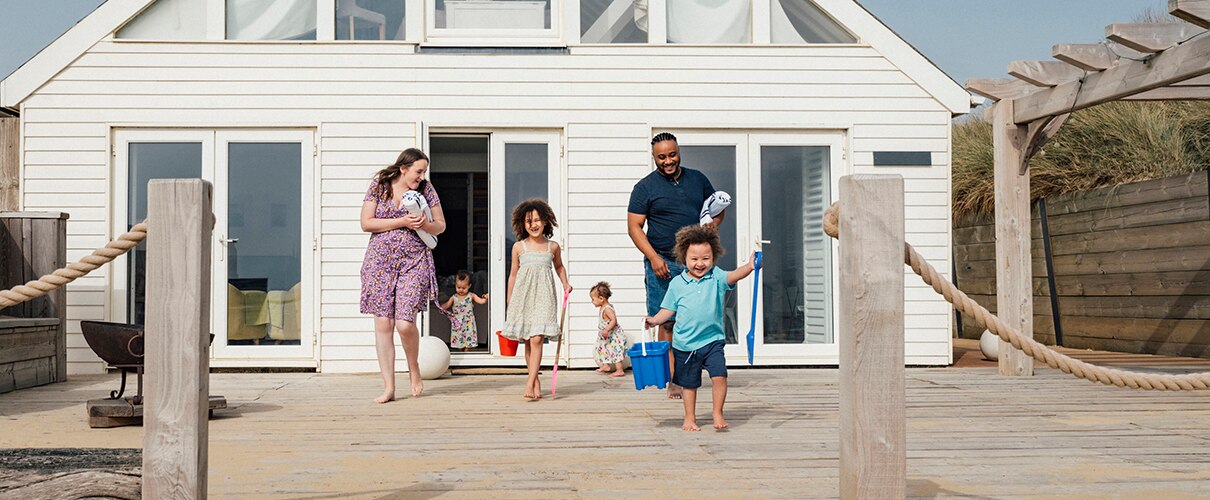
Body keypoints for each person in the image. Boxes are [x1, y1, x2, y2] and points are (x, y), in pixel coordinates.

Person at [627, 132, 725, 399]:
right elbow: (634, 227)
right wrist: (654, 258)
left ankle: (698, 369)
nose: (668, 161)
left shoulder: (698, 179)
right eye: (662, 157)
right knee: (668, 321)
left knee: (698, 317)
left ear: (679, 152)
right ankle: (674, 379)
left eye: (672, 155)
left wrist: (712, 225)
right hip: (663, 262)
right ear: (654, 157)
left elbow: (717, 210)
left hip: (696, 263)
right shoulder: (644, 188)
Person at [359, 147, 455, 404]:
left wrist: (424, 224)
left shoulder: (426, 189)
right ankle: (389, 387)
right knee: (383, 324)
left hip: (414, 262)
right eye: (418, 171)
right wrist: (401, 222)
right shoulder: (380, 186)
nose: (422, 177)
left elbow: (441, 225)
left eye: (424, 172)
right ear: (403, 168)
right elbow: (366, 222)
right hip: (380, 262)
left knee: (404, 323)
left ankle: (414, 368)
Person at [645, 226, 754, 431]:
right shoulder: (677, 283)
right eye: (694, 259)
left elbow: (734, 276)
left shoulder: (716, 277)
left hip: (712, 340)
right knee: (689, 384)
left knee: (720, 375)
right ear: (684, 258)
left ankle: (717, 413)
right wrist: (654, 320)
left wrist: (749, 266)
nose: (700, 263)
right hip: (685, 344)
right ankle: (689, 417)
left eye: (705, 258)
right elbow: (667, 310)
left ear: (713, 257)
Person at [501, 198, 572, 401]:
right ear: (523, 224)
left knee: (537, 338)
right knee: (528, 340)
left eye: (537, 220)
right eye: (529, 221)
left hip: (544, 296)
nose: (534, 224)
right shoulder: (519, 247)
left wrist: (565, 283)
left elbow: (559, 267)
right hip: (523, 296)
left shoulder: (552, 247)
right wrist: (510, 299)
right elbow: (513, 274)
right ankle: (536, 381)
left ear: (545, 221)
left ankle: (529, 382)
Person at [441, 270, 488, 352]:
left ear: (469, 286)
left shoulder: (471, 296)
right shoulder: (454, 297)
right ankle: (460, 351)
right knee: (458, 338)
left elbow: (481, 301)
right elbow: (447, 305)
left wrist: (486, 298)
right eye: (458, 287)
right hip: (457, 322)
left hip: (468, 322)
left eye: (464, 288)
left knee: (468, 337)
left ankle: (467, 351)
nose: (461, 290)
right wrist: (440, 307)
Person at [589, 281, 627, 377]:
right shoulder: (603, 307)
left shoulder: (607, 309)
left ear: (601, 298)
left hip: (613, 335)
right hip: (606, 336)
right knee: (603, 348)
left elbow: (614, 320)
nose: (591, 301)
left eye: (593, 299)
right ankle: (606, 365)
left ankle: (619, 370)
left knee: (615, 350)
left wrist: (606, 329)